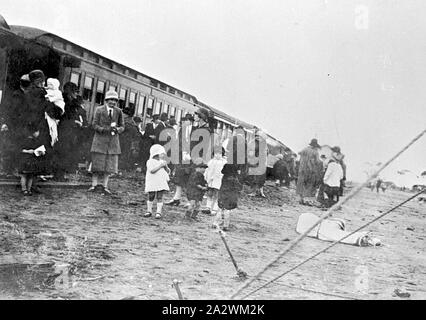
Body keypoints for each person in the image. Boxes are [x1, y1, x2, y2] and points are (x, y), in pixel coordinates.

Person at [88, 90, 125, 194]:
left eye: (115, 100)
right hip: (100, 141)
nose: (113, 102)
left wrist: (118, 130)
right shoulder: (99, 110)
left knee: (109, 166)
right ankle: (94, 185)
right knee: (97, 165)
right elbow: (94, 124)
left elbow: (122, 126)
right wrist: (103, 130)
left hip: (113, 143)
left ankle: (105, 186)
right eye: (111, 100)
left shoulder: (118, 111)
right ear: (106, 100)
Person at [54, 82, 88, 180]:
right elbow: (64, 118)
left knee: (64, 152)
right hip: (64, 131)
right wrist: (75, 122)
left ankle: (60, 174)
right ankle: (59, 175)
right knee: (62, 152)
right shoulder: (66, 102)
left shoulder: (68, 101)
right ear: (70, 92)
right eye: (75, 92)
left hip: (67, 131)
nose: (76, 94)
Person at [166, 113, 194, 206]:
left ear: (190, 121)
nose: (185, 122)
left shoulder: (195, 130)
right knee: (178, 177)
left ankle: (190, 201)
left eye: (187, 120)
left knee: (188, 179)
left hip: (190, 158)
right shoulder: (182, 129)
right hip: (181, 156)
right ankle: (176, 198)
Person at [213, 163, 243, 231]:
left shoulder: (224, 177)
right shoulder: (235, 179)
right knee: (227, 210)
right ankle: (225, 225)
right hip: (230, 196)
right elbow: (238, 188)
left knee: (220, 209)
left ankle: (215, 223)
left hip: (222, 194)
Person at [18, 125, 46, 196]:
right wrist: (27, 151)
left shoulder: (37, 141)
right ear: (33, 133)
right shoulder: (24, 140)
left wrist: (41, 152)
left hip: (33, 160)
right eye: (37, 132)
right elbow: (19, 150)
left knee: (31, 175)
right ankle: (24, 189)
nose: (38, 133)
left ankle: (29, 189)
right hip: (25, 159)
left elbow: (41, 150)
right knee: (24, 175)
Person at [144, 144, 170, 219]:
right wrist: (160, 166)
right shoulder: (150, 161)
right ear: (156, 154)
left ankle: (158, 212)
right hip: (152, 181)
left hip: (161, 181)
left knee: (159, 196)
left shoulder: (163, 162)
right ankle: (149, 211)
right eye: (162, 154)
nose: (163, 155)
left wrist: (165, 166)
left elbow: (168, 172)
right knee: (151, 195)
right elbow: (152, 171)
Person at [296, 139, 323, 205]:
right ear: (315, 146)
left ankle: (300, 199)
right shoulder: (315, 152)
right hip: (310, 170)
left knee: (301, 184)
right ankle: (306, 200)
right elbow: (317, 161)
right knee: (309, 185)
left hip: (301, 170)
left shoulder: (305, 149)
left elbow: (299, 152)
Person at [203, 145, 227, 215]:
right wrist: (206, 177)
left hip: (218, 180)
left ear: (222, 154)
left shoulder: (224, 162)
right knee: (209, 193)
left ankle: (215, 208)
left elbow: (224, 172)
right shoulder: (211, 161)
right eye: (216, 153)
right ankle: (208, 207)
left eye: (220, 153)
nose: (217, 155)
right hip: (210, 180)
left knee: (217, 195)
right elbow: (207, 170)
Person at [247, 128, 268, 198]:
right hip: (254, 162)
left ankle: (261, 191)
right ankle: (253, 192)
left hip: (261, 163)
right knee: (254, 177)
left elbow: (266, 153)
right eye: (257, 136)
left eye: (260, 137)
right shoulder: (252, 143)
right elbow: (249, 152)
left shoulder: (264, 144)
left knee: (261, 178)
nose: (258, 138)